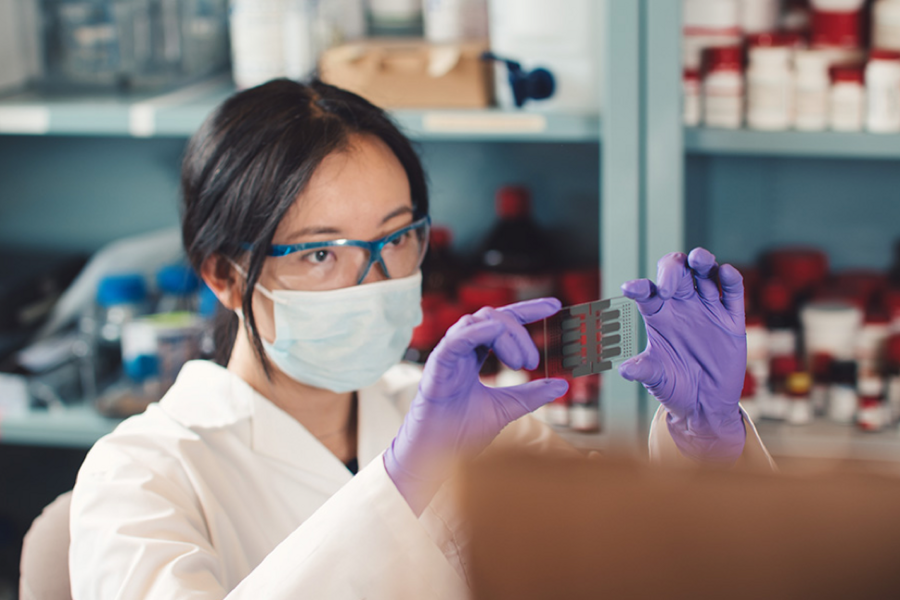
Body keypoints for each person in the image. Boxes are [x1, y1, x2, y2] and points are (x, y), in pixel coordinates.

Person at [68, 79, 773, 600]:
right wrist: (403, 482)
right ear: (224, 275)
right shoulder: (140, 476)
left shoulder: (473, 421)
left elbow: (635, 572)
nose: (376, 280)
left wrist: (706, 442)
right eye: (320, 253)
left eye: (398, 237)